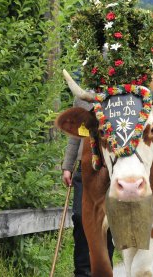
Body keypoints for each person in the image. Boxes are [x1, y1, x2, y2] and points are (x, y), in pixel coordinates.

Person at [62, 97, 114, 277]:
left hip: (110, 169)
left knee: (107, 221)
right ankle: (83, 272)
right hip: (85, 168)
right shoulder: (82, 99)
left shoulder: (119, 97)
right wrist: (67, 166)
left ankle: (105, 270)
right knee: (79, 216)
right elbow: (75, 136)